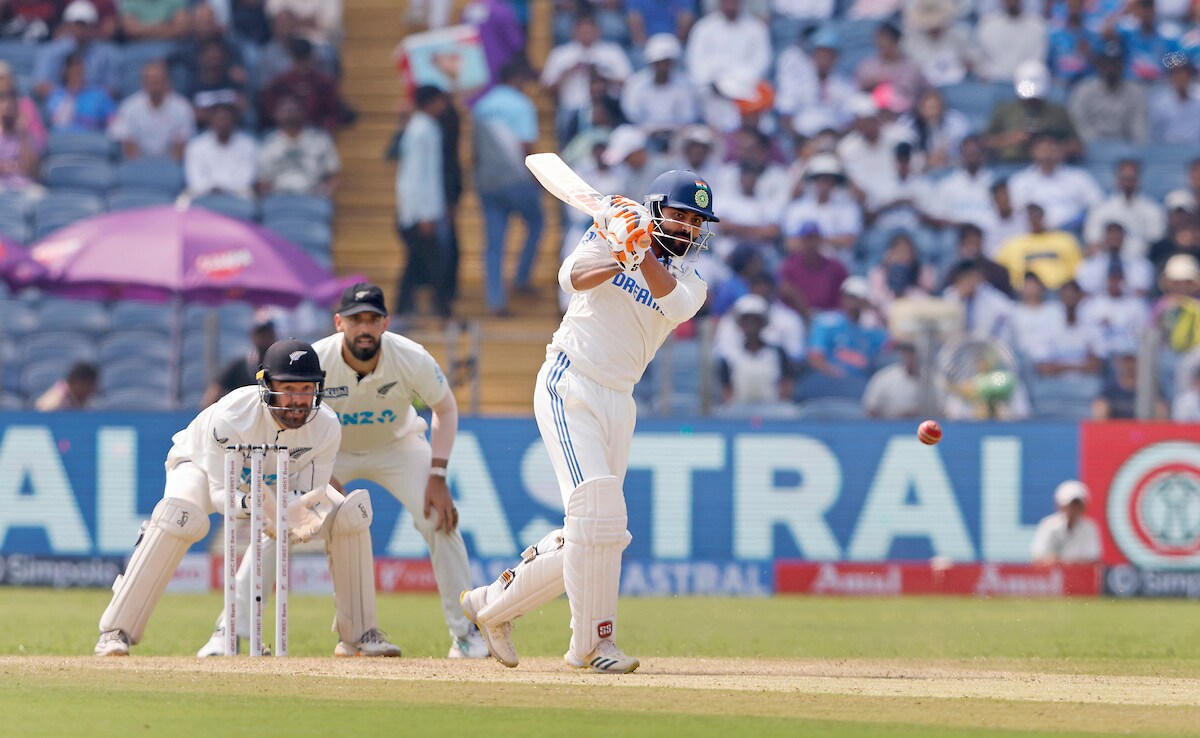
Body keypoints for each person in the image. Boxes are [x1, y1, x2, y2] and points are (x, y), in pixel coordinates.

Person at [459, 169, 719, 674]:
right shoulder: (612, 229)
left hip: (619, 398)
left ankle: (492, 605)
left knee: (599, 529)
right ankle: (592, 646)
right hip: (569, 380)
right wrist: (619, 247)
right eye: (682, 215)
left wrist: (638, 253)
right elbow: (569, 279)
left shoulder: (693, 282)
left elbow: (673, 304)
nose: (688, 228)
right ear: (658, 208)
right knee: (597, 509)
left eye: (696, 221)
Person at [198, 285, 488, 659]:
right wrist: (316, 483)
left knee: (440, 521)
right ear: (339, 323)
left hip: (398, 446)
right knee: (280, 521)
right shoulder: (314, 360)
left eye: (371, 319)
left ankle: (465, 634)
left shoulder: (411, 357)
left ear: (385, 322)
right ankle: (231, 630)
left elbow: (445, 409)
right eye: (355, 320)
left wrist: (438, 476)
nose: (363, 328)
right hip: (327, 451)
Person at [95, 339, 402, 657]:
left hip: (273, 482)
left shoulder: (326, 426)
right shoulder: (231, 417)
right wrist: (257, 505)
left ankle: (358, 635)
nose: (298, 400)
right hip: (200, 466)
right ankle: (117, 630)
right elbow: (219, 496)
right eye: (288, 388)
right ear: (266, 386)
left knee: (346, 513)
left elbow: (308, 496)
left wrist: (293, 513)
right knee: (181, 516)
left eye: (306, 389)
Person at [472, 58, 544, 317]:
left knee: (494, 242)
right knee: (536, 224)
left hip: (488, 180)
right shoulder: (521, 104)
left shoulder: (481, 105)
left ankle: (495, 300)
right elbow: (526, 146)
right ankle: (521, 278)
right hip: (517, 179)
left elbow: (476, 150)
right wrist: (538, 178)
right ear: (518, 79)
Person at [394, 85, 453, 319]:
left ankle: (406, 308)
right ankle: (439, 310)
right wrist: (423, 214)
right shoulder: (423, 130)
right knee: (428, 262)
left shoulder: (421, 128)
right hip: (419, 212)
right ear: (430, 102)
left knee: (418, 262)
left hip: (419, 210)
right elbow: (417, 176)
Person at [109, 59, 197, 161]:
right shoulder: (128, 107)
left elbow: (181, 146)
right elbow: (127, 144)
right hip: (138, 167)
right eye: (150, 79)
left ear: (167, 81)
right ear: (143, 82)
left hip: (171, 167)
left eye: (158, 79)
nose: (154, 83)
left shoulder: (183, 107)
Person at [256, 93, 340, 196]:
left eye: (293, 109)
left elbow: (333, 173)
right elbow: (262, 181)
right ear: (276, 114)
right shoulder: (267, 143)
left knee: (322, 209)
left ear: (303, 112)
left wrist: (326, 193)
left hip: (312, 196)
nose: (289, 113)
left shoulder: (320, 139)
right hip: (279, 197)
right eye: (285, 110)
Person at [183, 103, 257, 198]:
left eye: (226, 119)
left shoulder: (248, 145)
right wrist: (212, 188)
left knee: (249, 195)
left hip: (237, 193)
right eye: (219, 119)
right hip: (203, 193)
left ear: (234, 121)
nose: (223, 123)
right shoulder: (196, 145)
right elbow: (195, 179)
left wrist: (223, 188)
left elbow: (246, 178)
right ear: (211, 121)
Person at [201, 317, 277, 408]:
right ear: (252, 335)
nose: (265, 337)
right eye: (261, 333)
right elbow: (211, 397)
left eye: (268, 333)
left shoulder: (281, 368)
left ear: (274, 335)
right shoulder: (237, 367)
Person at [1030, 480, 1102, 565]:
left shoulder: (1090, 527)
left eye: (1077, 504)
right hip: (1053, 577)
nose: (1073, 509)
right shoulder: (1048, 526)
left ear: (1083, 506)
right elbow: (1037, 560)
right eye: (1070, 505)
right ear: (1060, 506)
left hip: (1079, 577)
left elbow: (1094, 560)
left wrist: (1065, 562)